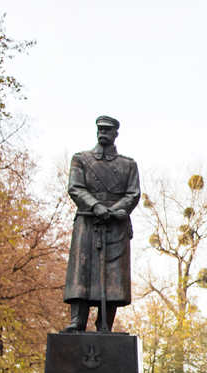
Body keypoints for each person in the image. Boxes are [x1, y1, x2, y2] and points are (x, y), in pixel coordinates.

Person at [63, 115, 140, 332]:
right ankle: (77, 320)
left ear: (116, 133)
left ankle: (105, 323)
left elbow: (133, 194)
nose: (103, 133)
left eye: (108, 130)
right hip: (88, 221)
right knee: (82, 271)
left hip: (115, 225)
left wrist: (113, 211)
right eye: (100, 130)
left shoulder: (128, 164)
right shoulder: (81, 159)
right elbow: (75, 187)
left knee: (113, 276)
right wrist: (95, 205)